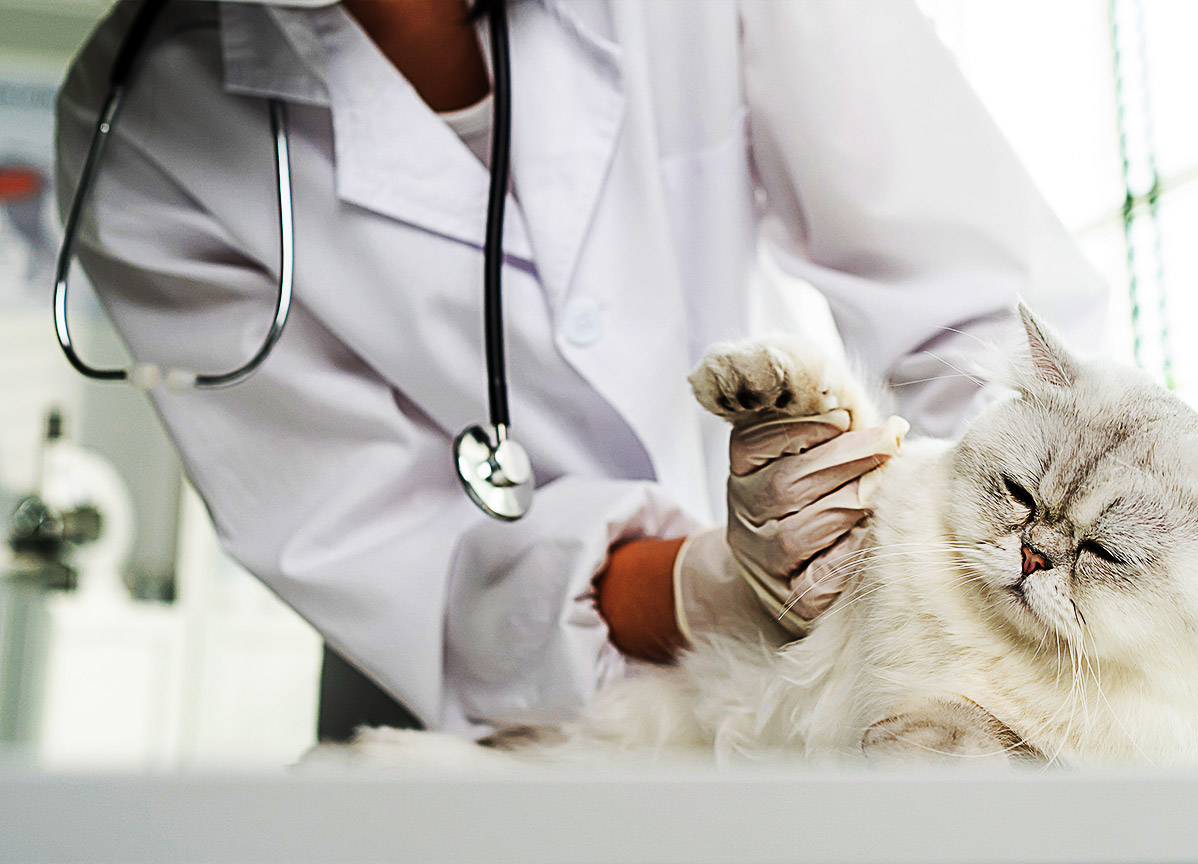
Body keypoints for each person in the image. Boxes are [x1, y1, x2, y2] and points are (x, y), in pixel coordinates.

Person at [55, 0, 1107, 736]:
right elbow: (391, 560)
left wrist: (991, 549)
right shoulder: (145, 120)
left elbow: (984, 314)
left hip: (812, 682)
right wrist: (707, 586)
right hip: (480, 721)